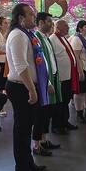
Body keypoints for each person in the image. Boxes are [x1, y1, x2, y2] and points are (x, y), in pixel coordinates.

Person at [5, 3, 47, 171]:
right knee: (22, 131)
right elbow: (21, 65)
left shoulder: (27, 34)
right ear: (21, 18)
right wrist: (31, 89)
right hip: (21, 87)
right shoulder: (17, 36)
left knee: (26, 129)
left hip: (27, 86)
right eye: (31, 14)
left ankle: (28, 163)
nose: (34, 16)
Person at [33, 14, 61, 154]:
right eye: (49, 21)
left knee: (47, 113)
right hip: (43, 81)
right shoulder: (36, 38)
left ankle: (44, 140)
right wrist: (48, 82)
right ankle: (37, 145)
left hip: (51, 78)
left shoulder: (46, 38)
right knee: (40, 114)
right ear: (41, 22)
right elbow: (39, 62)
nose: (51, 24)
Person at [49, 19, 80, 131]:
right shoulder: (52, 39)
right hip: (60, 77)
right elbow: (51, 58)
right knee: (59, 102)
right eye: (65, 26)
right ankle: (57, 125)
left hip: (68, 76)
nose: (68, 28)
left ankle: (64, 121)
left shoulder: (63, 38)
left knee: (65, 100)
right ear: (58, 27)